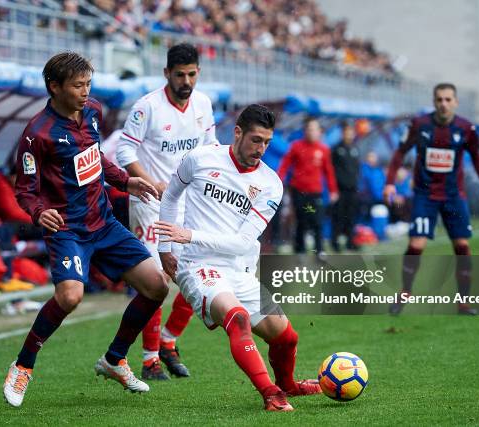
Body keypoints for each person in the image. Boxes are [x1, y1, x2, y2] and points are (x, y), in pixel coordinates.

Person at [3, 52, 169, 408]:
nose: (85, 91)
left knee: (156, 286)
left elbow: (96, 158)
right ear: (54, 87)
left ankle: (114, 360)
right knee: (70, 297)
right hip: (68, 230)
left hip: (104, 222)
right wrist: (38, 212)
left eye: (88, 84)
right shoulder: (37, 133)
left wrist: (127, 182)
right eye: (78, 85)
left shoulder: (92, 111)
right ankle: (23, 364)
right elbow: (25, 189)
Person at [154, 105, 322, 412]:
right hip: (199, 267)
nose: (261, 149)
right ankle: (271, 394)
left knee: (287, 338)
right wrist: (165, 248)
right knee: (238, 319)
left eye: (267, 142)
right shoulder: (200, 159)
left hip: (239, 269)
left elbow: (243, 241)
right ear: (237, 132)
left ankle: (288, 384)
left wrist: (188, 234)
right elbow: (171, 194)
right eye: (256, 140)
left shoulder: (270, 184)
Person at [116, 43, 217, 380]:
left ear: (198, 73)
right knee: (156, 279)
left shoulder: (203, 104)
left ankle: (169, 342)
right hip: (150, 204)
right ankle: (149, 359)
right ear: (166, 74)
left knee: (197, 276)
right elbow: (123, 149)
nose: (186, 81)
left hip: (190, 204)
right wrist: (150, 183)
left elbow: (210, 149)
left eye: (191, 74)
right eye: (179, 75)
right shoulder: (147, 107)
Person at [384, 83, 479, 315]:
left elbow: (477, 159)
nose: (443, 104)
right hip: (425, 196)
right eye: (439, 100)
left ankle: (463, 302)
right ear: (434, 102)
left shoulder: (466, 128)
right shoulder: (419, 124)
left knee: (462, 246)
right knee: (416, 245)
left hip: (454, 196)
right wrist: (389, 183)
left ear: (455, 102)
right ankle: (404, 293)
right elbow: (399, 153)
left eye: (448, 99)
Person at [277, 117, 338, 256]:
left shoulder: (323, 150)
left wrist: (333, 190)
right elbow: (285, 164)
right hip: (298, 191)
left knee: (317, 220)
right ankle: (300, 250)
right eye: (309, 129)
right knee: (301, 220)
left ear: (319, 132)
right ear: (305, 131)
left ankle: (319, 250)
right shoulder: (296, 146)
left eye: (315, 129)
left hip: (315, 192)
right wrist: (278, 179)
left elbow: (328, 171)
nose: (312, 132)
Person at [331, 121, 360, 251]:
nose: (349, 134)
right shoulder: (336, 149)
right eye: (346, 132)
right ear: (342, 133)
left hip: (352, 189)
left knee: (351, 216)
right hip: (339, 189)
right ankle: (335, 243)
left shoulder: (355, 149)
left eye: (351, 132)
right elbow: (331, 169)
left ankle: (350, 242)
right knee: (338, 216)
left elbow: (357, 168)